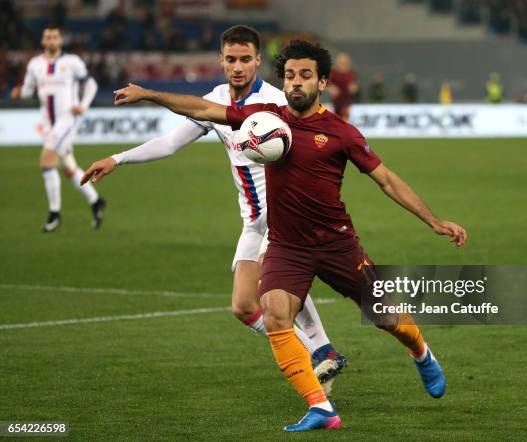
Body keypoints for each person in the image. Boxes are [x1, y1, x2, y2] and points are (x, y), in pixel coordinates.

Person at [84, 39, 467, 432]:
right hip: (286, 245)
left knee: (386, 318)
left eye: (305, 76)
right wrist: (148, 94)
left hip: (336, 243)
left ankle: (421, 352)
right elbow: (202, 109)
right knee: (276, 314)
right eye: (289, 76)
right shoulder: (265, 118)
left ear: (322, 83)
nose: (295, 83)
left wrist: (433, 220)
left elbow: (386, 180)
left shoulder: (341, 133)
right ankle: (321, 407)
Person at [78, 26, 346, 391]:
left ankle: (323, 349)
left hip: (283, 212)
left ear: (257, 61)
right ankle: (313, 356)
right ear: (221, 61)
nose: (238, 67)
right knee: (243, 307)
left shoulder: (276, 103)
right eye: (231, 60)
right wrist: (117, 158)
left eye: (245, 59)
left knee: (274, 275)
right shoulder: (217, 100)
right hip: (253, 220)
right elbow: (171, 143)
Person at [10, 24, 105, 232]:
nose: (52, 40)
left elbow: (91, 85)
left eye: (55, 37)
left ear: (61, 41)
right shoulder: (35, 64)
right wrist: (19, 92)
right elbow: (28, 91)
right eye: (48, 37)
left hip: (67, 120)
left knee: (46, 162)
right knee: (68, 167)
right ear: (43, 41)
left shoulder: (72, 62)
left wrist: (84, 105)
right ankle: (96, 201)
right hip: (47, 124)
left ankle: (54, 214)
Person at [328, 52, 358, 120]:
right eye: (342, 62)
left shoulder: (351, 72)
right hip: (336, 100)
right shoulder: (333, 72)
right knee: (336, 118)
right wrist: (331, 88)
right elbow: (327, 84)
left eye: (345, 61)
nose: (343, 63)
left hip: (347, 100)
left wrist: (354, 88)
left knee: (345, 118)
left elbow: (354, 85)